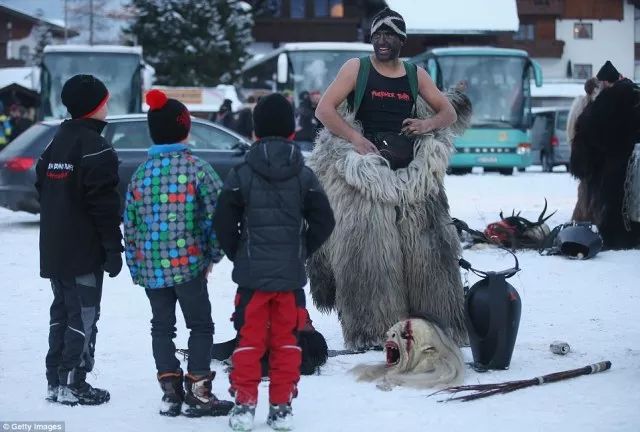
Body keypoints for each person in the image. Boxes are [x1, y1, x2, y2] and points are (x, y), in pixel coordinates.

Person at [309, 7, 471, 350]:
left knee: (427, 252)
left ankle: (436, 326)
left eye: (390, 36)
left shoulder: (415, 74)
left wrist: (425, 125)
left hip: (412, 174)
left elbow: (449, 112)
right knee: (369, 252)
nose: (383, 41)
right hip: (365, 174)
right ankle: (371, 331)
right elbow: (324, 109)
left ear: (401, 40)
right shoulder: (357, 69)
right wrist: (355, 139)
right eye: (378, 35)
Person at [213, 93, 335, 431]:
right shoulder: (304, 174)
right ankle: (281, 407)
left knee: (249, 342)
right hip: (290, 281)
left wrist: (238, 251)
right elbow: (324, 221)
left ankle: (244, 404)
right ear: (293, 132)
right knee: (285, 343)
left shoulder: (241, 172)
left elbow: (223, 220)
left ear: (254, 132)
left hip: (252, 280)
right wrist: (301, 250)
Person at [123, 89, 234, 417]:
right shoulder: (199, 169)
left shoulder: (140, 174)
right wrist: (212, 255)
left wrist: (137, 266)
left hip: (152, 270)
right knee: (200, 325)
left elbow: (130, 225)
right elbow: (219, 216)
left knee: (161, 326)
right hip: (189, 265)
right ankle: (199, 391)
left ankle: (170, 392)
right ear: (185, 128)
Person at [35, 74, 122, 406]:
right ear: (94, 107)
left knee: (62, 312)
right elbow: (105, 206)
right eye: (105, 103)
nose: (107, 108)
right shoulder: (96, 148)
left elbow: (42, 186)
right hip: (83, 251)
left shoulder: (55, 141)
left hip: (55, 249)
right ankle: (73, 383)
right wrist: (113, 250)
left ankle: (55, 380)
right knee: (83, 315)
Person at [570, 61, 640, 249]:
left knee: (613, 199)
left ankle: (614, 239)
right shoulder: (634, 92)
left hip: (614, 160)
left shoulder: (609, 97)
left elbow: (591, 127)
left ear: (606, 82)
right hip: (631, 155)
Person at [567, 77, 599, 222]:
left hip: (579, 153)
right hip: (584, 154)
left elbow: (571, 130)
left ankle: (580, 218)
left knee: (584, 187)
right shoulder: (587, 106)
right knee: (587, 187)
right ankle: (584, 218)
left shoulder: (579, 104)